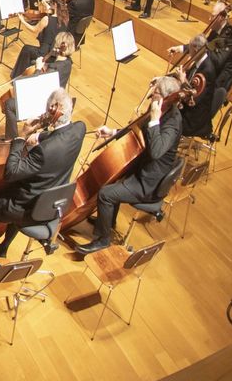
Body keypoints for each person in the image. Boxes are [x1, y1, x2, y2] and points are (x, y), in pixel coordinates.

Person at [0, 88, 86, 271]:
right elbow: (59, 136)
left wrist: (21, 137)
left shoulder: (44, 151)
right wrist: (39, 135)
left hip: (26, 206)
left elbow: (11, 172)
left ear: (53, 111)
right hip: (49, 202)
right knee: (12, 190)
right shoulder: (79, 129)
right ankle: (2, 248)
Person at [79, 76, 186, 254]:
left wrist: (154, 120)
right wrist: (112, 132)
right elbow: (138, 131)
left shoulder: (172, 123)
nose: (151, 95)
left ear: (165, 98)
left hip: (149, 182)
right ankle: (107, 222)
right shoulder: (159, 109)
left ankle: (103, 240)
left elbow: (156, 151)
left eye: (155, 93)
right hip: (142, 167)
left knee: (106, 194)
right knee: (114, 177)